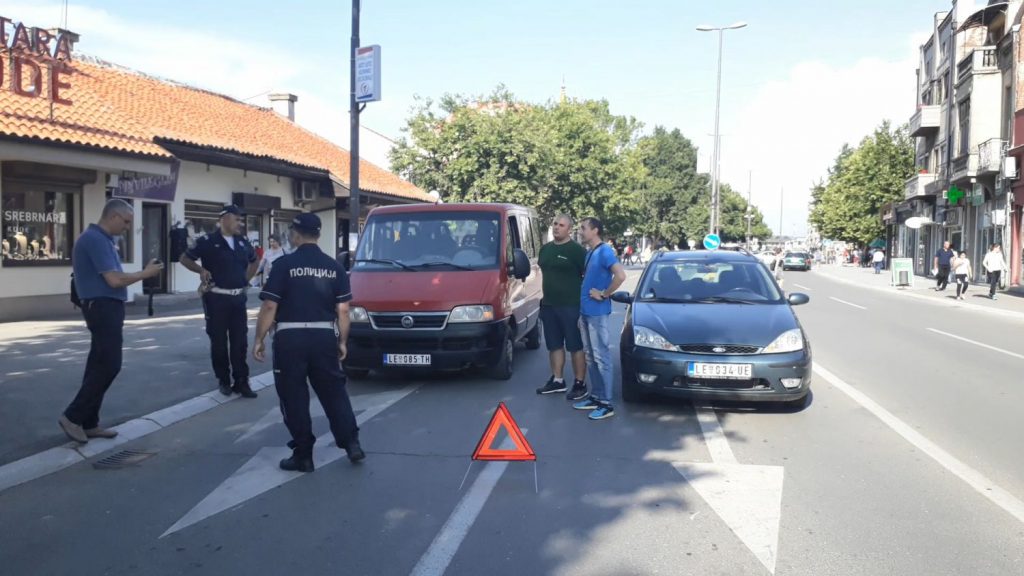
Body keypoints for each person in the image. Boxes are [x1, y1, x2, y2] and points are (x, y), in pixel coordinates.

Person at [253, 213, 364, 472]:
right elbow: (344, 311)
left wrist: (259, 338)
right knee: (334, 392)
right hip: (324, 336)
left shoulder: (283, 264)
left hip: (289, 338)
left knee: (293, 396)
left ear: (296, 234)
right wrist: (343, 341)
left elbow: (270, 305)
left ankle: (303, 455)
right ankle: (352, 444)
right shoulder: (334, 267)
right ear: (318, 234)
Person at [58, 200, 164, 443]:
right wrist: (145, 274)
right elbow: (114, 280)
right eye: (126, 221)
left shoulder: (103, 240)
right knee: (109, 365)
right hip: (102, 306)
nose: (128, 227)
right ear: (113, 216)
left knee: (97, 364)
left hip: (105, 306)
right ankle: (72, 417)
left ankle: (89, 422)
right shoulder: (95, 239)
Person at [180, 205, 259, 398]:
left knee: (240, 342)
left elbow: (254, 261)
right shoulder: (207, 241)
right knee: (219, 342)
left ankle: (242, 381)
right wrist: (201, 271)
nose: (239, 223)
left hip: (237, 298)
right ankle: (224, 380)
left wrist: (245, 280)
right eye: (236, 219)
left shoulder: (242, 241)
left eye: (241, 220)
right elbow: (185, 259)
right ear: (224, 219)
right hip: (216, 298)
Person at [574, 217, 627, 420]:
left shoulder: (604, 251)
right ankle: (596, 397)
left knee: (601, 356)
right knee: (590, 356)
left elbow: (620, 275)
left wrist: (605, 294)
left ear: (595, 230)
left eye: (583, 228)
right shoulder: (591, 253)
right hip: (586, 312)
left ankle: (606, 403)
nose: (581, 231)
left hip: (597, 313)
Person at [535, 215, 588, 401]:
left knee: (575, 345)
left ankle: (580, 383)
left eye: (561, 225)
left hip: (571, 306)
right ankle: (558, 381)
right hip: (549, 305)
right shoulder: (545, 250)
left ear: (569, 229)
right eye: (555, 224)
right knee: (554, 345)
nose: (557, 227)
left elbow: (588, 275)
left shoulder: (577, 251)